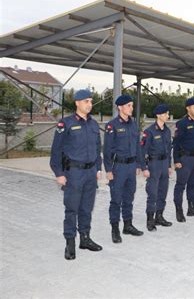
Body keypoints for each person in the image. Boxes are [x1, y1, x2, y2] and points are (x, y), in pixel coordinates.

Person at [50, 89, 103, 260]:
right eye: (87, 101)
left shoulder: (94, 124)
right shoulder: (65, 124)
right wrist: (59, 173)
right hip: (73, 173)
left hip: (90, 172)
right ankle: (70, 242)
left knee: (87, 208)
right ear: (77, 103)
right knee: (72, 208)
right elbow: (56, 152)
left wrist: (98, 169)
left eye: (91, 101)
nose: (90, 104)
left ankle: (85, 239)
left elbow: (97, 148)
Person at [103, 94, 143, 243]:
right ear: (120, 107)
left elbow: (138, 146)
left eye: (132, 105)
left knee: (129, 197)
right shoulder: (112, 125)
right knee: (116, 199)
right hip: (118, 167)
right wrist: (108, 170)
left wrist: (139, 164)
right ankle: (115, 229)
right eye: (129, 105)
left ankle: (128, 225)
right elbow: (107, 150)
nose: (131, 108)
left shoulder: (133, 125)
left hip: (132, 167)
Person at [141, 104, 173, 231]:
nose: (167, 116)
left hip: (164, 164)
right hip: (154, 164)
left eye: (167, 113)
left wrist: (169, 166)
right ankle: (150, 220)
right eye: (165, 114)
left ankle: (159, 216)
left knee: (163, 192)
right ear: (158, 115)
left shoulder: (167, 130)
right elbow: (142, 150)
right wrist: (144, 168)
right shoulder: (149, 131)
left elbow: (169, 150)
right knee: (152, 193)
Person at [173, 97, 194, 222]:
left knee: (193, 184)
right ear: (188, 108)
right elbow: (176, 143)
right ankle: (179, 211)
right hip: (185, 158)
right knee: (180, 185)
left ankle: (191, 208)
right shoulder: (182, 123)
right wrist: (176, 160)